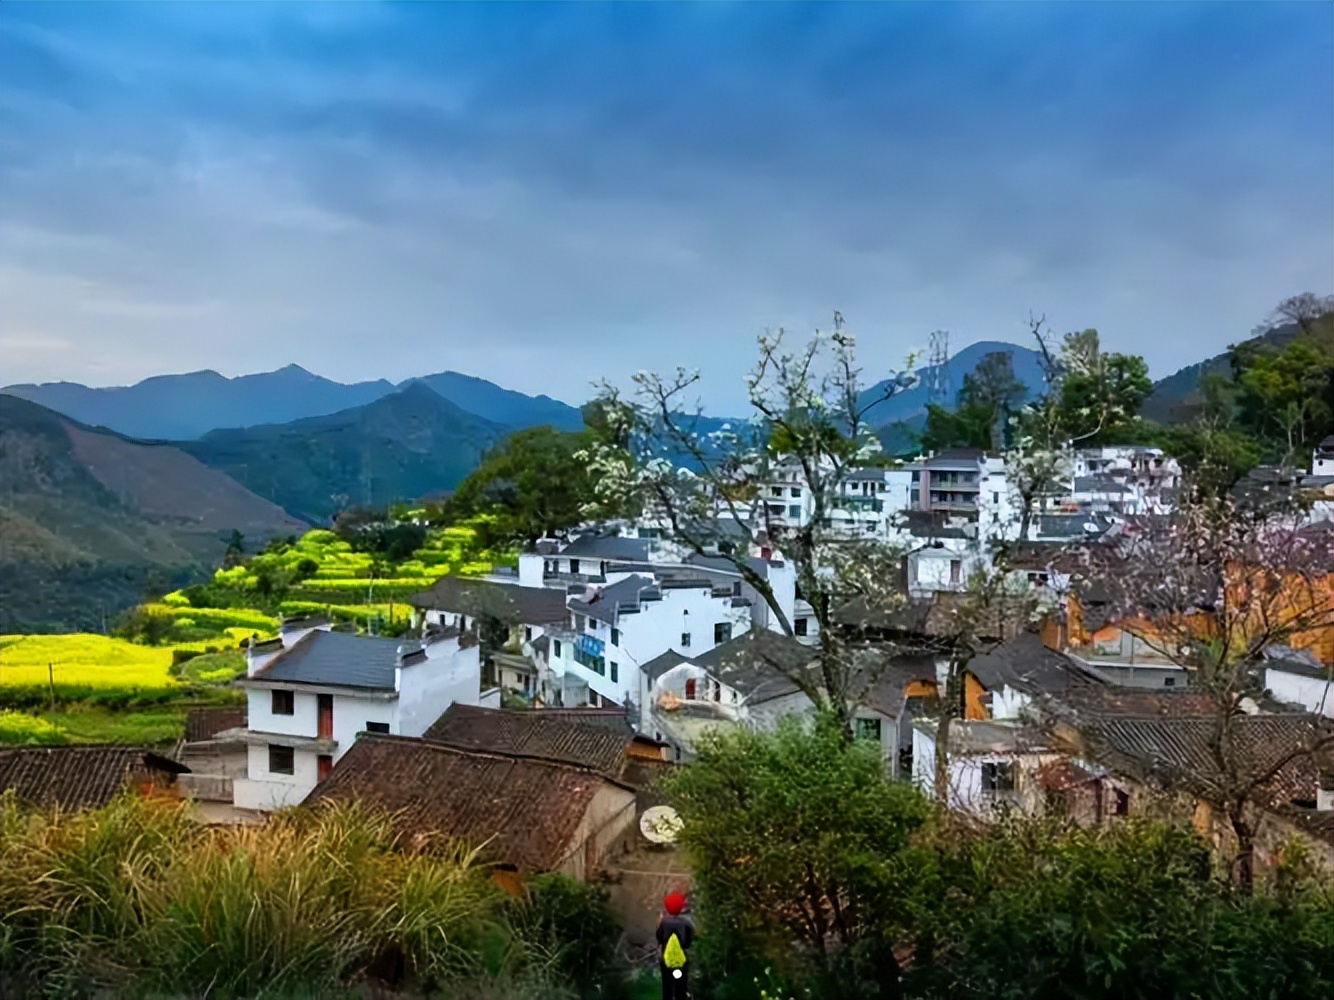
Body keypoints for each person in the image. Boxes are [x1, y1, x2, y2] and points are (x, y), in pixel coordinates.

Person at [655, 890, 695, 1000]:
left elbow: (658, 937)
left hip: (666, 960)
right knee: (681, 987)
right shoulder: (686, 923)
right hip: (681, 960)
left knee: (667, 987)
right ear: (681, 907)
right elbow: (689, 940)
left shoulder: (664, 922)